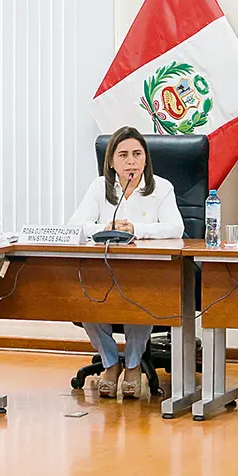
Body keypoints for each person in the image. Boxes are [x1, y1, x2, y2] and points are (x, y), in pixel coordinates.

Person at [67, 126, 184, 399]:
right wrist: (104, 228)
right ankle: (110, 362)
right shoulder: (100, 187)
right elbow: (74, 225)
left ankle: (133, 365)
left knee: (138, 299)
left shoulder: (161, 188)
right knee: (86, 299)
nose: (131, 161)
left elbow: (176, 228)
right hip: (103, 271)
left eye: (137, 154)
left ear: (145, 158)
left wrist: (136, 229)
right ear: (111, 161)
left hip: (145, 272)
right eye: (123, 155)